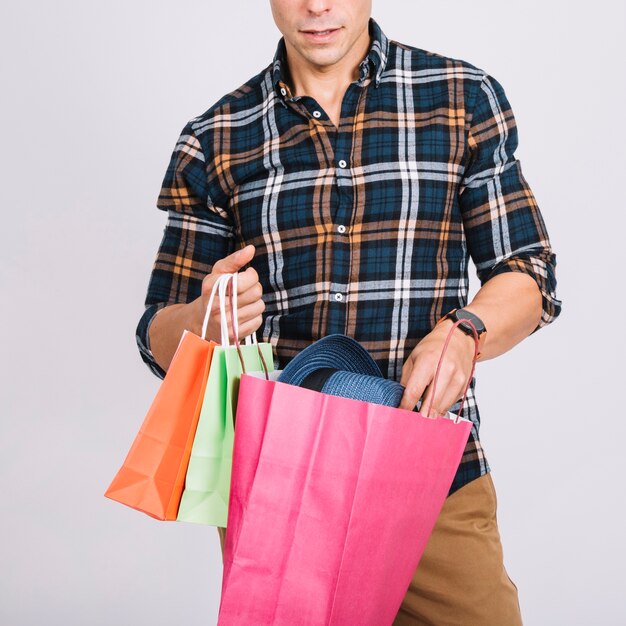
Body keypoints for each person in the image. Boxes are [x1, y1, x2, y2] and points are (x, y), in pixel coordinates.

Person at [135, 1, 561, 623]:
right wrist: (203, 321)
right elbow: (155, 333)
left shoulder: (463, 99)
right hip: (282, 486)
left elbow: (529, 273)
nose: (318, 5)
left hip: (435, 475)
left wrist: (466, 329)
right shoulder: (217, 137)